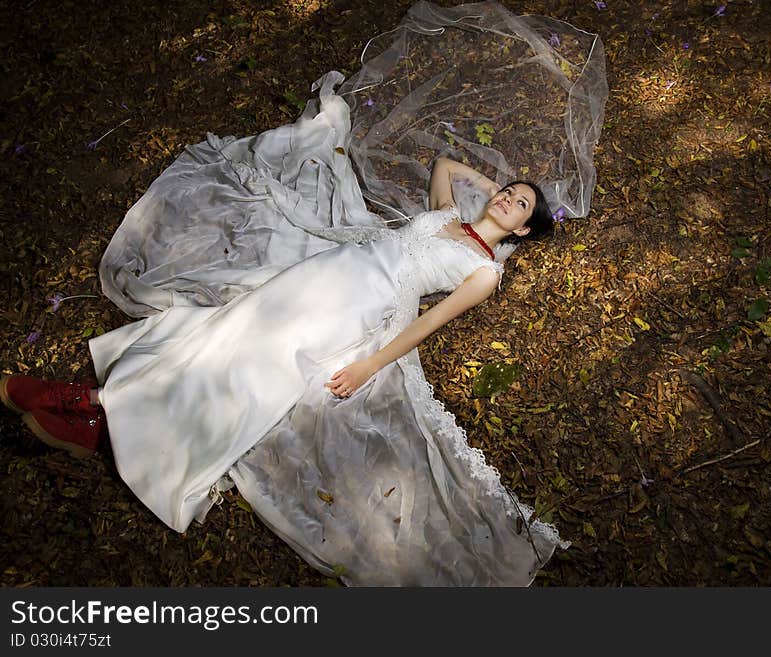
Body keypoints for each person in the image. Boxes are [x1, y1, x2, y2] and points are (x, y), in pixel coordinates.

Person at [2, 152, 565, 586]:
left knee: (260, 362)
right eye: (510, 191)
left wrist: (370, 364)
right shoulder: (448, 216)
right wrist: (492, 189)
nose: (507, 199)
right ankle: (108, 414)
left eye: (518, 206)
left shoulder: (485, 272)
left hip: (365, 303)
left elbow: (427, 323)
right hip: (333, 269)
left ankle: (93, 408)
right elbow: (445, 164)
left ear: (521, 233)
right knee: (231, 331)